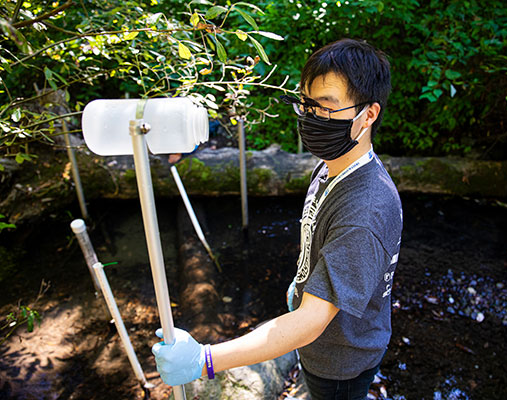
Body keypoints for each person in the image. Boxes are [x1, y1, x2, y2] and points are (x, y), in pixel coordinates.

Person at [152, 38, 403, 400]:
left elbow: (311, 321)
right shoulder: (335, 165)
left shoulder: (364, 211)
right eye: (306, 103)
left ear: (369, 114)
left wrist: (205, 359)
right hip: (324, 347)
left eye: (327, 108)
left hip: (339, 362)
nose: (312, 117)